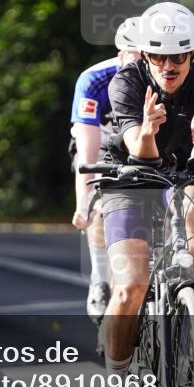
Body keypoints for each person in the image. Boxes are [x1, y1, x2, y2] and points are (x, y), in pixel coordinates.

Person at [95, 2, 194, 387]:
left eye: (179, 57)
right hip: (130, 177)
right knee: (130, 287)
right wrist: (149, 130)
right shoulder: (126, 82)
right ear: (146, 56)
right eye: (159, 57)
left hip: (184, 173)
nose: (169, 67)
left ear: (193, 53)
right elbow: (138, 149)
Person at [70, 18, 142, 322]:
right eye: (132, 56)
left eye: (146, 57)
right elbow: (87, 149)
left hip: (140, 145)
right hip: (100, 143)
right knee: (101, 200)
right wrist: (83, 202)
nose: (139, 65)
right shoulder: (95, 79)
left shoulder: (162, 76)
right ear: (120, 52)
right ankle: (100, 280)